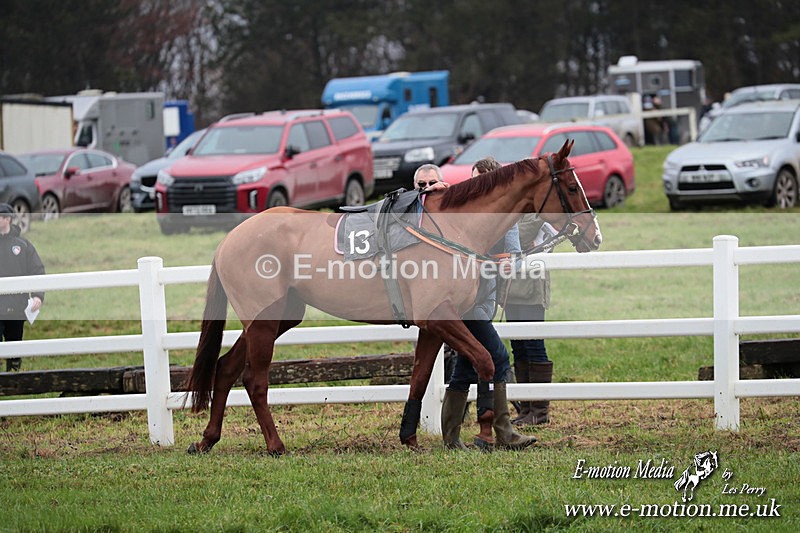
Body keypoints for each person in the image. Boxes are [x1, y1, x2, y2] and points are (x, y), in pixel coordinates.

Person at [432, 157, 537, 451]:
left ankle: (456, 438)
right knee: (499, 358)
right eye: (472, 179)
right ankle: (504, 433)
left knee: (465, 367)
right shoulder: (463, 211)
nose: (474, 185)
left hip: (484, 298)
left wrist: (504, 264)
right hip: (464, 302)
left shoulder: (505, 219)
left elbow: (514, 256)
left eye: (480, 180)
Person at [500, 212, 554, 426]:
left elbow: (518, 237)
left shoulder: (535, 211)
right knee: (518, 346)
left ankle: (539, 411)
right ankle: (526, 408)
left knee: (534, 345)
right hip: (512, 285)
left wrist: (506, 235)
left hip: (531, 287)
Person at [0, 203, 45, 372]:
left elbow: (37, 270)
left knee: (14, 350)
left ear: (7, 219)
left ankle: (13, 382)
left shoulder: (23, 245)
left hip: (16, 308)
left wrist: (38, 296)